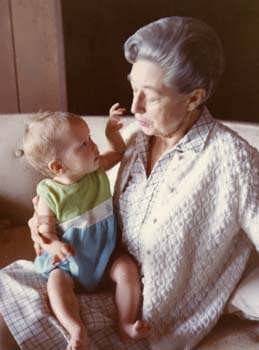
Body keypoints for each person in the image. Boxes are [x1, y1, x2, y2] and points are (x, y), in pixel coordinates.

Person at [0, 16, 258, 350]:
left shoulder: (233, 160)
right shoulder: (137, 140)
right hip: (95, 278)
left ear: (194, 98)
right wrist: (43, 225)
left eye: (149, 96)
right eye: (133, 88)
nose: (134, 107)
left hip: (149, 319)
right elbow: (86, 201)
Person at [21, 104, 149, 350]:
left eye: (90, 138)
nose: (93, 145)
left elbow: (120, 152)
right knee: (56, 283)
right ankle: (75, 329)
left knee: (126, 270)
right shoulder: (49, 193)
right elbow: (44, 230)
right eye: (84, 144)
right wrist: (55, 245)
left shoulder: (96, 169)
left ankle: (126, 322)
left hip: (104, 254)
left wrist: (111, 132)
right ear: (58, 167)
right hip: (70, 263)